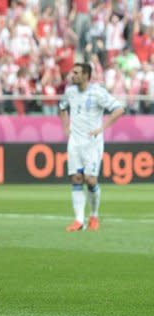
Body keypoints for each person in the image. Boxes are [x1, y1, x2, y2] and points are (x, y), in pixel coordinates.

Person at [59, 63, 124, 232]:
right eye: (73, 72)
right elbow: (62, 107)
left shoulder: (98, 92)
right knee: (76, 178)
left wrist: (103, 127)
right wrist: (66, 127)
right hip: (75, 141)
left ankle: (94, 216)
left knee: (90, 179)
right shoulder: (70, 92)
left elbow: (119, 109)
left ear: (86, 75)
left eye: (76, 72)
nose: (72, 75)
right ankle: (79, 220)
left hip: (92, 142)